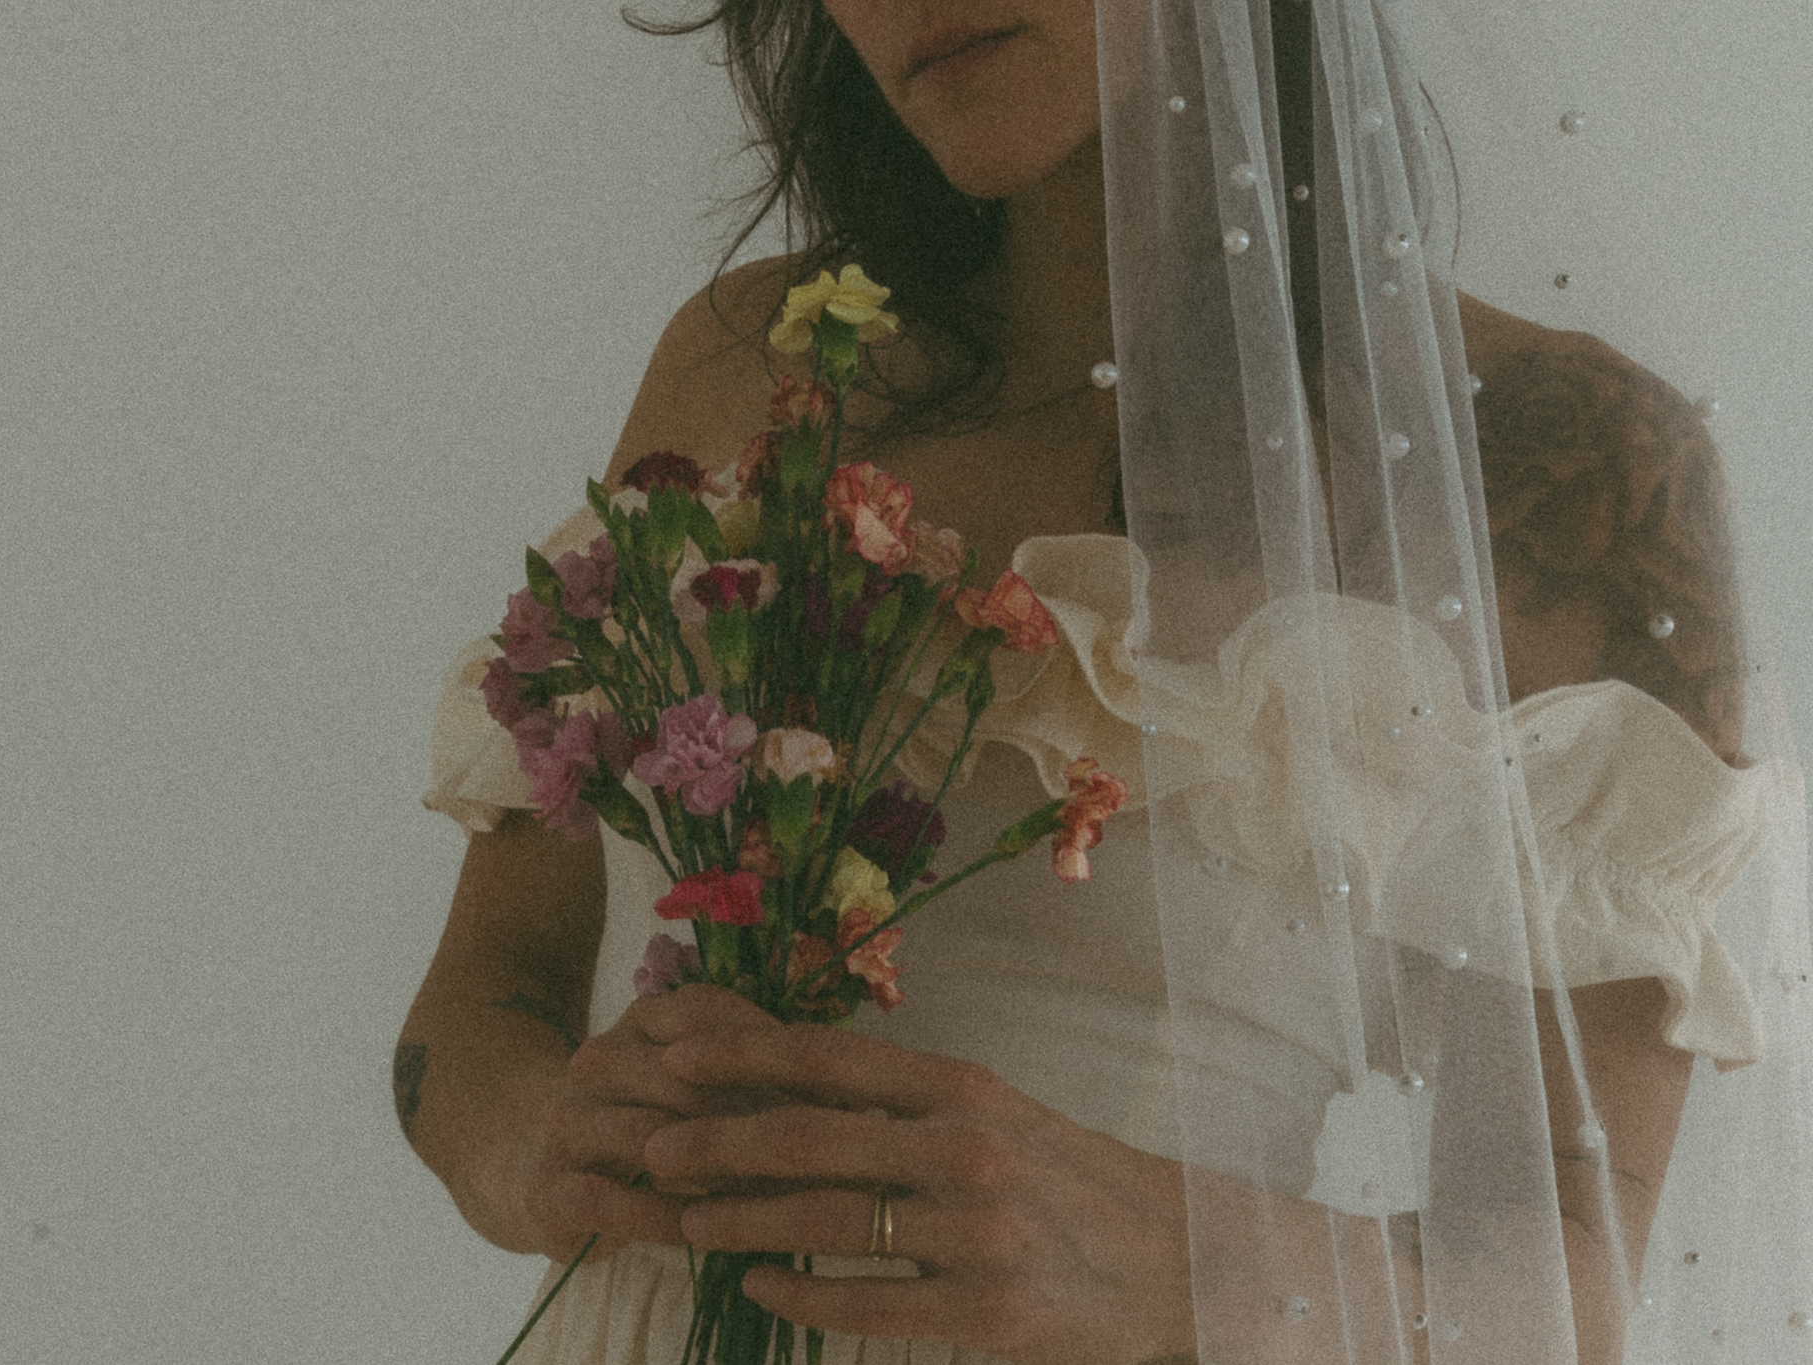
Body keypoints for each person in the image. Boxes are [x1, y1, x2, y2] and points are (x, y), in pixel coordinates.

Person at [401, 1, 1811, 1362]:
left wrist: (1177, 1259)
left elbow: (1570, 1283)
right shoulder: (749, 366)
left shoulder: (1563, 473)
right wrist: (538, 1144)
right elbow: (478, 1004)